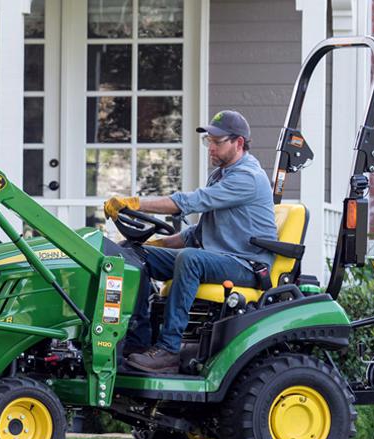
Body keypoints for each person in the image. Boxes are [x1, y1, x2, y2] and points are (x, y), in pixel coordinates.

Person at [104, 110, 278, 373]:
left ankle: (168, 350)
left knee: (190, 258)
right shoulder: (221, 175)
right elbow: (196, 234)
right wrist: (156, 246)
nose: (211, 148)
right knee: (133, 254)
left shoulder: (247, 178)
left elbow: (190, 202)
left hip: (246, 264)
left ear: (238, 143)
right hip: (218, 257)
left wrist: (135, 203)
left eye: (217, 142)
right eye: (209, 141)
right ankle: (137, 342)